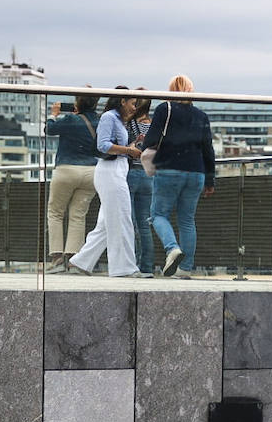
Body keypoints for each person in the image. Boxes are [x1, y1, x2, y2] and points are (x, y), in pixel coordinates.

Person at [144, 74, 216, 278]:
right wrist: (210, 180)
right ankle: (186, 268)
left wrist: (142, 144)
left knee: (158, 215)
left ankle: (172, 248)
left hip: (169, 168)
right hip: (196, 172)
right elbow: (208, 150)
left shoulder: (164, 109)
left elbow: (151, 139)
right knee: (187, 220)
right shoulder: (201, 116)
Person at [69, 89, 143, 278]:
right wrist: (129, 150)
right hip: (110, 173)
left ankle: (81, 262)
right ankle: (123, 268)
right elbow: (103, 145)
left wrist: (132, 146)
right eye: (133, 103)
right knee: (121, 219)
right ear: (123, 101)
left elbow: (114, 146)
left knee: (106, 223)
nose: (135, 107)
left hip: (115, 171)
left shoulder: (118, 120)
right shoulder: (110, 117)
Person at [43, 93, 100, 273]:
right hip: (91, 172)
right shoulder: (100, 121)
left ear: (78, 103)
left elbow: (49, 129)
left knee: (56, 212)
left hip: (66, 170)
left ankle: (57, 258)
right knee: (78, 215)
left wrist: (54, 114)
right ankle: (74, 259)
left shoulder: (70, 119)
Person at [125, 91, 155, 277]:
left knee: (130, 222)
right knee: (145, 224)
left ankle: (131, 264)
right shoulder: (153, 126)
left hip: (131, 173)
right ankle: (147, 267)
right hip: (148, 175)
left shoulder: (129, 123)